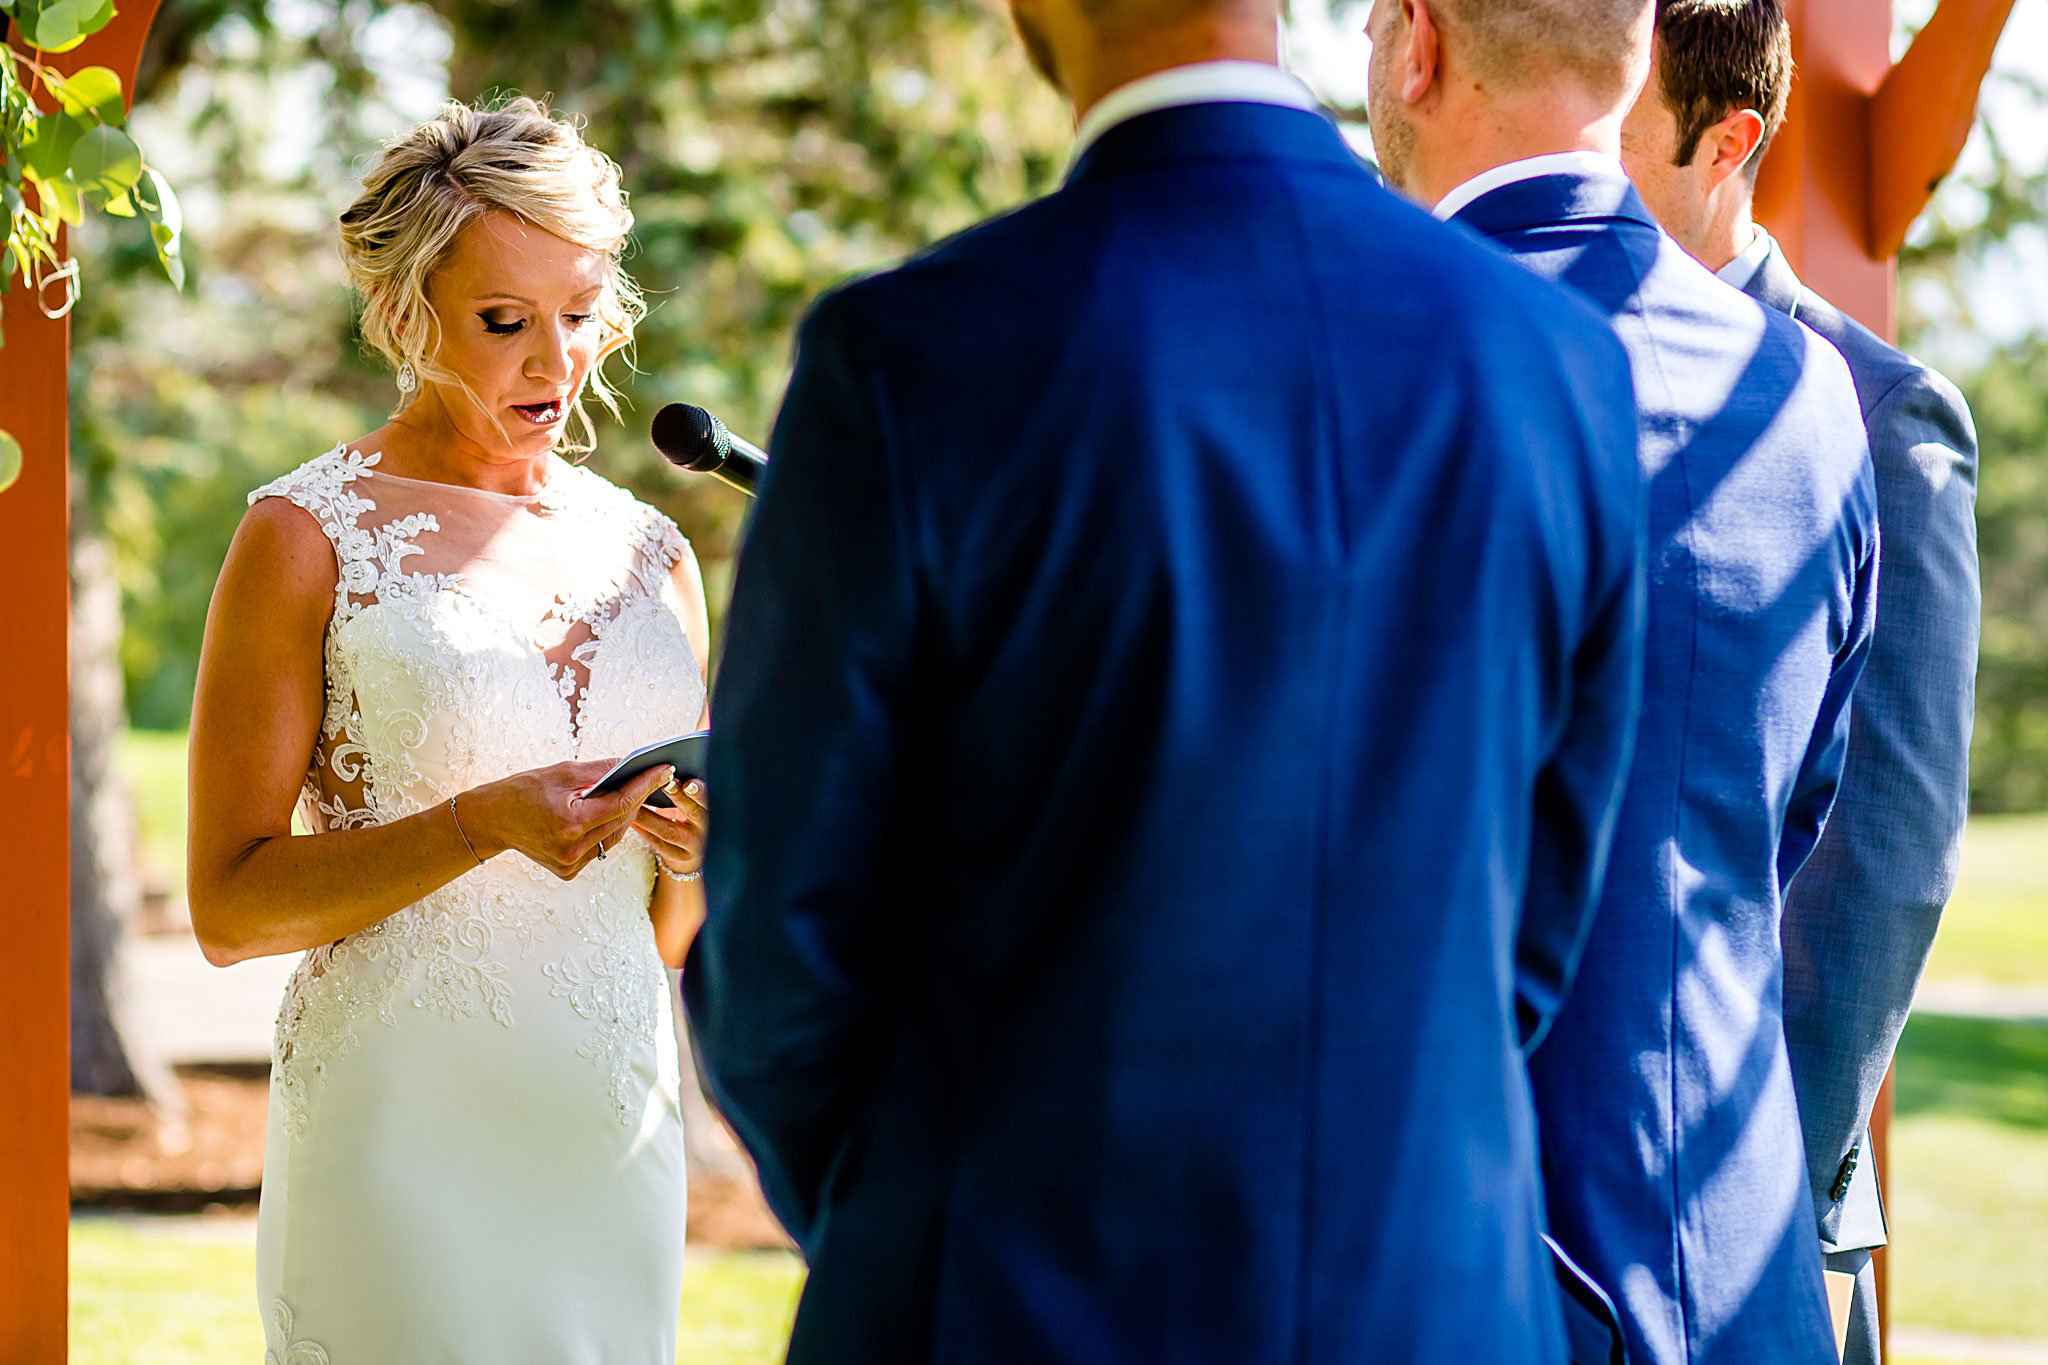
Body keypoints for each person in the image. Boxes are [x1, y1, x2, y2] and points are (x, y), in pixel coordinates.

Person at [686, 0, 1649, 1359]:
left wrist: (926, 1210)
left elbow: (780, 947)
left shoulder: (913, 356)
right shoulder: (1556, 362)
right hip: (1433, 1301)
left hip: (1011, 1304)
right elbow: (1539, 920)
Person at [1367, 0, 1884, 1362]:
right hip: (1739, 1280)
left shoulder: (1351, 365)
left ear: (1416, 45)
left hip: (1441, 1278)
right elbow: (1794, 820)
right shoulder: (1810, 397)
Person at [186, 98, 711, 1364]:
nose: (556, 361)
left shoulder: (654, 555)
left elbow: (664, 930)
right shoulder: (303, 538)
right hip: (401, 1130)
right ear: (410, 310)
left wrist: (698, 853)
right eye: (504, 322)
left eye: (580, 315)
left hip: (610, 1120)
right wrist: (482, 824)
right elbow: (230, 909)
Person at [1620, 2, 1982, 1356]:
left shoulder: (1886, 415)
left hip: (1754, 1230)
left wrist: (1745, 1192)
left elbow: (1887, 858)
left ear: (1729, 145)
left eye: (1618, 140)